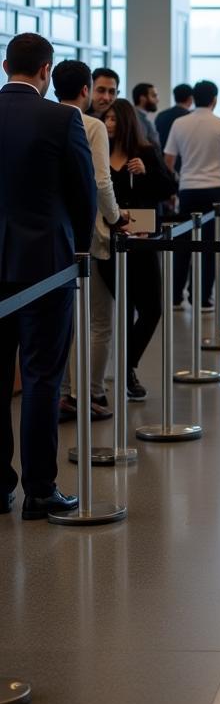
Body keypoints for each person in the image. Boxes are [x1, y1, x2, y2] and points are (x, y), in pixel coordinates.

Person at [0, 33, 95, 520]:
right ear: (45, 70)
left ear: (4, 65)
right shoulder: (62, 118)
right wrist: (78, 245)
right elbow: (84, 192)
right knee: (41, 376)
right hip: (46, 266)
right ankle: (40, 489)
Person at [53, 60, 127, 422]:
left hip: (52, 235)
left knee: (63, 320)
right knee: (100, 320)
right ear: (85, 90)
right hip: (88, 235)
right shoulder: (92, 125)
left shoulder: (45, 117)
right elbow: (101, 182)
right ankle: (91, 392)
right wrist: (115, 218)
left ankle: (66, 392)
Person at [101, 99, 177, 401]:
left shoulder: (145, 151)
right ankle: (117, 373)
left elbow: (168, 188)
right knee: (122, 306)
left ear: (126, 122)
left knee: (151, 309)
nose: (108, 125)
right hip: (110, 242)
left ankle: (127, 365)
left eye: (113, 120)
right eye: (106, 119)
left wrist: (146, 171)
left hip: (143, 240)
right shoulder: (99, 153)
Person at [164, 80, 220, 309]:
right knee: (210, 246)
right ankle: (203, 298)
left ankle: (176, 296)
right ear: (214, 99)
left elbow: (168, 161)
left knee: (182, 246)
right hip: (216, 190)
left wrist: (173, 189)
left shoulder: (179, 123)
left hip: (188, 189)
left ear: (193, 98)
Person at [156, 82, 193, 149]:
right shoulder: (190, 117)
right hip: (182, 156)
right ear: (190, 98)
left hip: (162, 155)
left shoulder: (161, 115)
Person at [132, 82, 161, 148]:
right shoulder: (135, 118)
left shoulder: (142, 117)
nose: (157, 100)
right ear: (142, 98)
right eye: (154, 96)